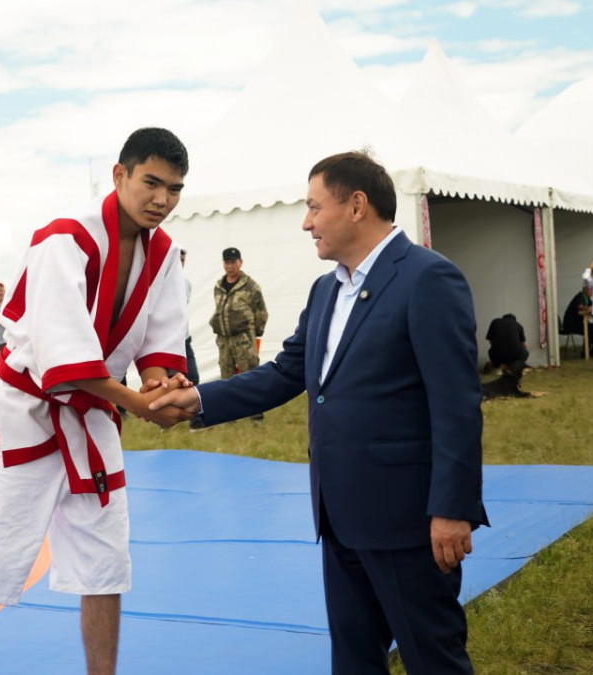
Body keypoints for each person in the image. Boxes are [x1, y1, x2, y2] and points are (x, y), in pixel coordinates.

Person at [153, 151, 486, 674]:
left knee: (433, 660)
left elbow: (457, 404)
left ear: (357, 206)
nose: (305, 222)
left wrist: (453, 508)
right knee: (353, 660)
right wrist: (199, 399)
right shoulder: (327, 288)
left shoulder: (427, 279)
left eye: (313, 207)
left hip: (408, 519)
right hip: (338, 516)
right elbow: (288, 373)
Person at [0, 127, 191, 675]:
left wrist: (161, 388)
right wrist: (137, 401)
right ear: (120, 175)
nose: (162, 200)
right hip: (21, 419)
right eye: (152, 183)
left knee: (105, 568)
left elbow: (160, 343)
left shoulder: (166, 254)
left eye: (174, 189)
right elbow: (63, 358)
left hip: (93, 421)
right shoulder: (64, 238)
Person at [209, 247, 267, 379]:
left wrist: (253, 334)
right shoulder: (219, 286)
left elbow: (261, 312)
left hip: (243, 340)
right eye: (227, 262)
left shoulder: (250, 286)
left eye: (233, 262)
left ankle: (253, 399)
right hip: (224, 341)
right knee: (226, 378)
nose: (230, 266)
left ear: (240, 262)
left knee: (249, 376)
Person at [180, 248, 200, 385]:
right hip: (167, 342)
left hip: (184, 339)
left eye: (182, 260)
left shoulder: (186, 283)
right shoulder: (159, 281)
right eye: (177, 260)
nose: (180, 263)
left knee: (193, 378)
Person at [560, 286, 593, 355]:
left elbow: (592, 306)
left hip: (578, 323)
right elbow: (580, 306)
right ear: (585, 290)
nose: (592, 292)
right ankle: (585, 351)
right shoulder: (580, 297)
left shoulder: (587, 299)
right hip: (571, 324)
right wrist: (587, 308)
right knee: (591, 329)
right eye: (590, 289)